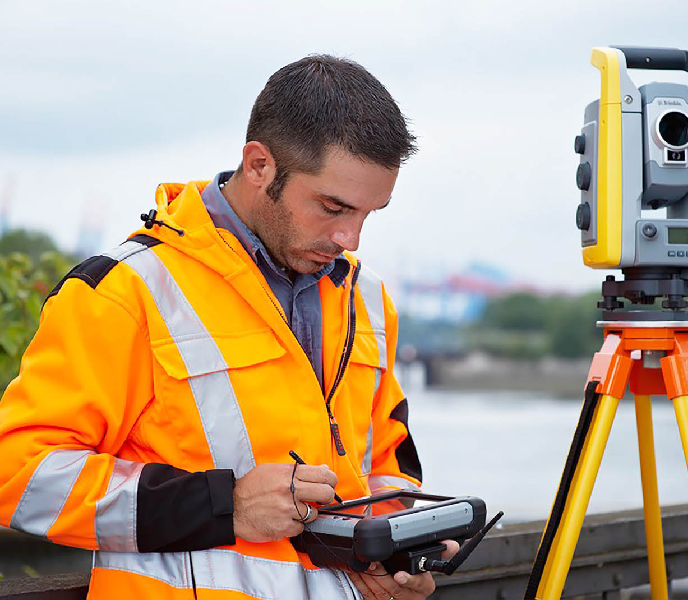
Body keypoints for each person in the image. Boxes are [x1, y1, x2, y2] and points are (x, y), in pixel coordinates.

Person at [0, 55, 457, 600]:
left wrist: (392, 550)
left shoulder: (370, 299)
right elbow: (18, 476)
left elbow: (387, 467)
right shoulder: (125, 291)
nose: (350, 238)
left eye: (368, 213)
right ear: (259, 165)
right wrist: (227, 506)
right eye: (333, 207)